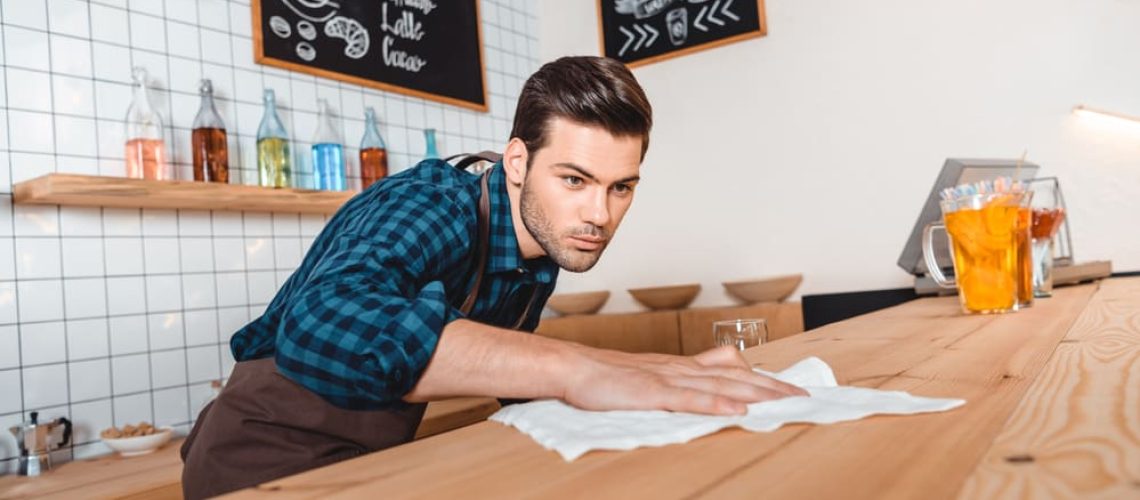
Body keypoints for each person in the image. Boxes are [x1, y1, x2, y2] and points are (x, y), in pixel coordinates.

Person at [180, 56, 805, 498]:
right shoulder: (431, 204)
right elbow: (324, 323)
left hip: (369, 461)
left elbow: (515, 380)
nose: (599, 214)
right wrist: (584, 368)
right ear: (516, 161)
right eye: (574, 180)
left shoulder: (545, 243)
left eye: (621, 188)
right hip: (260, 465)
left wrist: (663, 405)